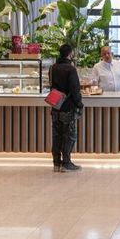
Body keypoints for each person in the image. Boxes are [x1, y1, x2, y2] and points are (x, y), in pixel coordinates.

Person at [49, 44, 83, 172]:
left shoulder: (53, 68)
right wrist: (79, 104)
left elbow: (51, 86)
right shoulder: (70, 69)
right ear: (70, 54)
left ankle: (56, 163)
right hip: (68, 106)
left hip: (56, 106)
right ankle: (67, 163)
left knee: (56, 135)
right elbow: (75, 90)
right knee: (69, 135)